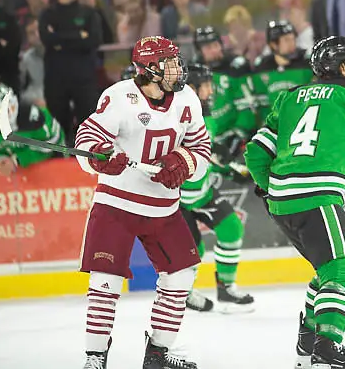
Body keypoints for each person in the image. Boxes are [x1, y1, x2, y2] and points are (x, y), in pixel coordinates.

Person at [244, 36, 345, 369]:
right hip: (317, 196)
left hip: (280, 201)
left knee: (325, 268)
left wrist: (269, 188)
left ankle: (308, 338)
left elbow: (255, 152)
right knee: (341, 270)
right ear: (342, 67)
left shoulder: (289, 97)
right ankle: (326, 345)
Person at [74, 36, 210, 369]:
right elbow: (86, 138)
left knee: (180, 276)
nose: (178, 69)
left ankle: (158, 354)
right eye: (170, 62)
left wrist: (184, 163)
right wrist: (101, 158)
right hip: (116, 204)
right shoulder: (119, 97)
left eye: (177, 61)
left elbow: (202, 151)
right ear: (148, 69)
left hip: (164, 208)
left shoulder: (187, 99)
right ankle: (95, 357)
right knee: (104, 281)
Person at [175, 63, 255, 313]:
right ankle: (182, 292)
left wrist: (228, 169)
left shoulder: (207, 114)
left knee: (231, 227)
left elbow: (206, 156)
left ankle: (226, 289)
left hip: (202, 192)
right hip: (178, 198)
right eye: (206, 85)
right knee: (193, 249)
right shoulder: (176, 114)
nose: (211, 90)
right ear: (191, 88)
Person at [40, 0, 103, 145]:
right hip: (56, 79)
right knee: (58, 126)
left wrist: (60, 39)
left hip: (84, 79)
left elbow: (93, 40)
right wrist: (78, 35)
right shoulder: (47, 15)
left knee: (89, 125)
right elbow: (47, 40)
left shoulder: (89, 14)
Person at [0, 82, 64, 176]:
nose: (10, 112)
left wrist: (18, 159)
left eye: (11, 106)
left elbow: (53, 143)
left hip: (45, 173)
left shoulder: (35, 118)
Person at [192, 26, 254, 159]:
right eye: (208, 48)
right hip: (208, 140)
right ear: (199, 51)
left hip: (236, 137)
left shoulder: (236, 66)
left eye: (216, 45)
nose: (214, 50)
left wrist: (238, 135)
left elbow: (248, 107)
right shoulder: (193, 72)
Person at [251, 20, 313, 123]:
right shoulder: (262, 67)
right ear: (273, 44)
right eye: (286, 40)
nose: (292, 43)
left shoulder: (308, 63)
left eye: (293, 39)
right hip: (275, 127)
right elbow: (261, 105)